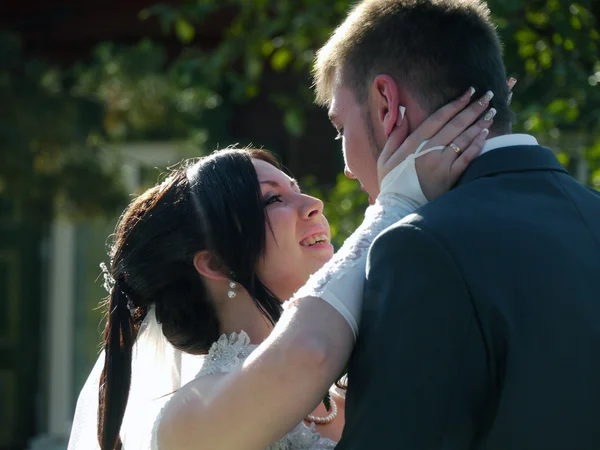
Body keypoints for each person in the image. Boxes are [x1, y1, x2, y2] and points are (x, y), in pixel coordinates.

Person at [148, 0, 600, 449]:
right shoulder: (191, 416)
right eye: (272, 200)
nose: (318, 198)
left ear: (386, 104)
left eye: (340, 128)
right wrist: (393, 206)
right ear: (213, 261)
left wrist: (396, 211)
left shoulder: (418, 250)